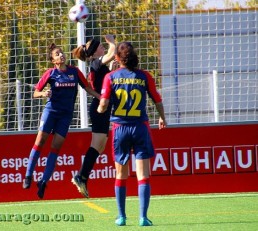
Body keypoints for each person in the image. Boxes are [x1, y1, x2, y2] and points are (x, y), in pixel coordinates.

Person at [97, 42, 167, 226]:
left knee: (121, 174)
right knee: (143, 174)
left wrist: (99, 108)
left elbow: (103, 105)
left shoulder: (111, 76)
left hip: (120, 129)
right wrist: (162, 118)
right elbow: (157, 99)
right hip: (140, 128)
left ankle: (121, 217)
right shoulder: (144, 76)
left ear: (117, 58)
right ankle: (143, 217)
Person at [23, 43, 100, 199]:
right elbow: (35, 93)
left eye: (61, 53)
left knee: (55, 147)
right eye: (57, 54)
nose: (61, 55)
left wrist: (101, 97)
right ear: (53, 61)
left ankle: (43, 181)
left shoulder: (74, 72)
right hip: (50, 112)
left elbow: (87, 88)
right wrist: (43, 94)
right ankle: (28, 175)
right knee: (40, 141)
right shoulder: (50, 73)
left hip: (65, 116)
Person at [71, 35, 116, 198]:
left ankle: (83, 177)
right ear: (95, 52)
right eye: (100, 46)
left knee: (100, 146)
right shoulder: (96, 62)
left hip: (102, 108)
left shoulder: (98, 65)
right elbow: (112, 53)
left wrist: (112, 66)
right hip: (98, 109)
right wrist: (112, 43)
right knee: (96, 145)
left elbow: (105, 79)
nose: (103, 47)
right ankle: (80, 176)